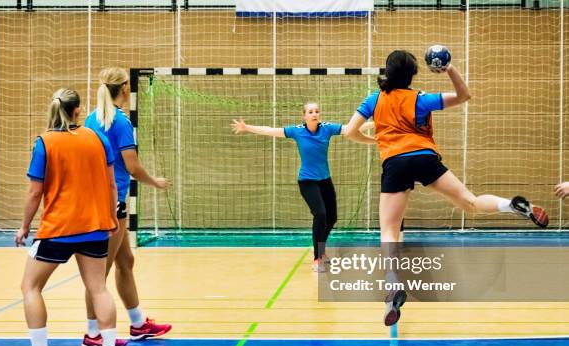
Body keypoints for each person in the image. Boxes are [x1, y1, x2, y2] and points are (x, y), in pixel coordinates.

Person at [343, 50, 549, 326]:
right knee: (470, 203)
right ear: (413, 74)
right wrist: (449, 68)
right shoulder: (421, 99)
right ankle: (509, 204)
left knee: (390, 229)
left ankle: (393, 286)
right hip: (425, 158)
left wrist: (376, 140)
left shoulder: (374, 100)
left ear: (387, 72)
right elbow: (464, 96)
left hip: (395, 163)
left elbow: (349, 132)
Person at [10, 88, 122, 346]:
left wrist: (24, 226)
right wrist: (110, 217)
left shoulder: (45, 142)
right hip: (96, 227)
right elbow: (111, 185)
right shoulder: (98, 138)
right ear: (77, 111)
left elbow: (35, 192)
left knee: (30, 287)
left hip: (59, 228)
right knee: (98, 288)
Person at [82, 67, 172, 346]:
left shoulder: (90, 119)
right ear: (124, 89)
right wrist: (155, 182)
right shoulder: (119, 122)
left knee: (125, 262)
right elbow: (132, 166)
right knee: (100, 273)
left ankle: (137, 323)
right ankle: (92, 333)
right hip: (111, 202)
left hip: (100, 198)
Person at [231, 102, 375, 272]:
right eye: (310, 112)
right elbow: (270, 130)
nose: (314, 114)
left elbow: (350, 128)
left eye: (317, 111)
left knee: (332, 218)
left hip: (325, 181)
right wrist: (247, 127)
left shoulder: (327, 128)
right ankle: (317, 258)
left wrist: (375, 122)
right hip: (307, 182)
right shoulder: (297, 131)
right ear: (304, 116)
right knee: (320, 215)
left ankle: (322, 252)